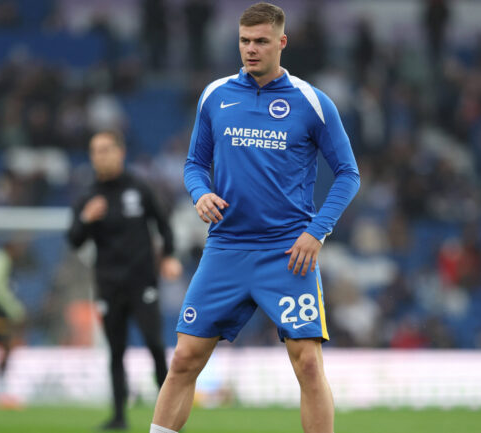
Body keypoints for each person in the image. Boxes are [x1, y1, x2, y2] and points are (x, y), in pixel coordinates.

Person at [149, 3, 360, 433]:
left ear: (282, 42)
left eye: (261, 41)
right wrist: (200, 192)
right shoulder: (215, 95)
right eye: (244, 41)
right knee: (185, 358)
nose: (250, 49)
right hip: (226, 248)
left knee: (308, 364)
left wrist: (316, 232)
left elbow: (348, 175)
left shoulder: (311, 103)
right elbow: (193, 163)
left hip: (288, 253)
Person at [68, 130, 182, 430]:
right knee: (115, 350)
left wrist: (169, 256)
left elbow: (163, 223)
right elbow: (74, 240)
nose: (100, 156)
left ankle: (167, 417)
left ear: (120, 152)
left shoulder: (139, 188)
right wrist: (85, 219)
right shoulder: (87, 196)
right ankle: (119, 416)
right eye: (94, 151)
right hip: (108, 284)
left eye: (105, 149)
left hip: (142, 281)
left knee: (155, 345)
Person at [0, 238, 28, 409]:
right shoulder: (1, 259)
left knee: (5, 349)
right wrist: (14, 309)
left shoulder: (0, 259)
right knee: (4, 348)